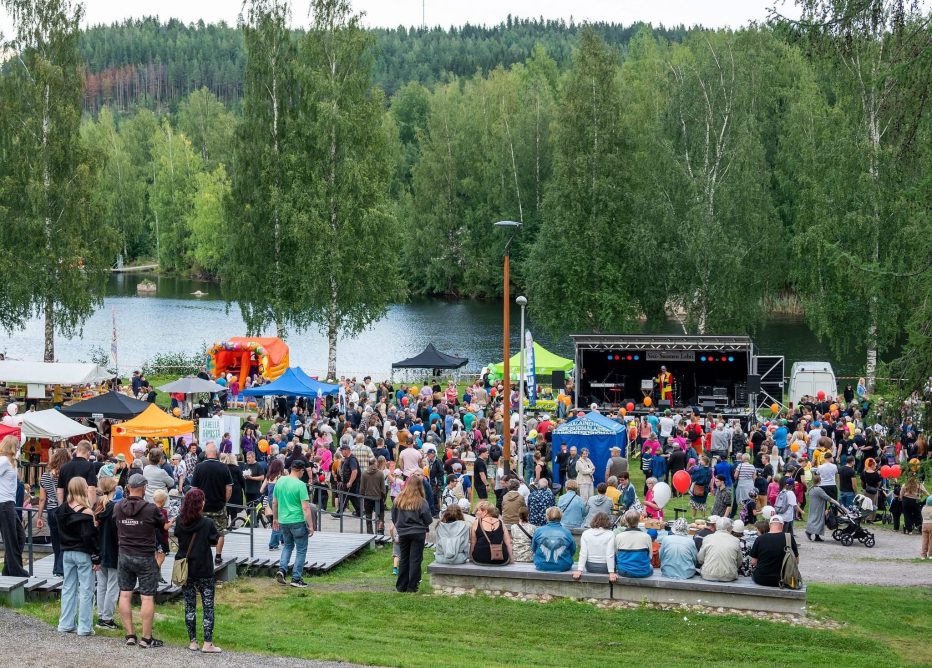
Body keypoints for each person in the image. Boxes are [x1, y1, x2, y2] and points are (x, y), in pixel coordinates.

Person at [114, 473, 167, 648]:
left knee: (125, 594)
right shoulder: (151, 509)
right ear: (144, 488)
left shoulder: (118, 507)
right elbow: (161, 524)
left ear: (128, 487)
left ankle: (130, 635)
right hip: (145, 555)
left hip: (124, 554)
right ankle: (146, 638)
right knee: (147, 597)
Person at [174, 488, 222, 653]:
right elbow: (214, 541)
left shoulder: (180, 521)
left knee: (189, 606)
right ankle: (207, 643)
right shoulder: (207, 523)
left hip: (186, 569)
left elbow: (177, 535)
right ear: (200, 504)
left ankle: (192, 641)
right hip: (204, 568)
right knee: (208, 606)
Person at [56, 478, 100, 636]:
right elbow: (89, 537)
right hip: (83, 553)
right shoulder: (87, 513)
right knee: (86, 590)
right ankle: (84, 627)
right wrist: (96, 557)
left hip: (66, 552)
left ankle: (66, 623)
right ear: (83, 489)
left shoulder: (62, 509)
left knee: (68, 588)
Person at [272, 460, 315, 588]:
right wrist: (311, 526)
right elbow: (305, 508)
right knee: (301, 550)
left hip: (283, 520)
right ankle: (296, 578)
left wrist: (275, 518)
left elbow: (274, 502)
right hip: (297, 520)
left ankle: (282, 569)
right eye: (303, 471)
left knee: (287, 546)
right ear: (301, 470)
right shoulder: (300, 485)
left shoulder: (280, 481)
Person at [191, 442, 233, 565]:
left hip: (202, 507)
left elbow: (194, 489)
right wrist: (224, 501)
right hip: (219, 506)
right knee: (220, 532)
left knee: (201, 531)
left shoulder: (199, 467)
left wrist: (197, 503)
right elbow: (229, 488)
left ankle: (203, 555)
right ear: (217, 453)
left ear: (205, 453)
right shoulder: (224, 467)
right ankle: (218, 556)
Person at [391, 474, 433, 591]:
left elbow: (394, 516)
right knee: (415, 559)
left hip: (403, 532)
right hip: (418, 532)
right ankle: (412, 586)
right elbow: (428, 519)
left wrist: (399, 525)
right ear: (420, 486)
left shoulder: (399, 499)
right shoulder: (421, 501)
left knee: (404, 558)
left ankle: (401, 586)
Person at [37, 447, 71, 577]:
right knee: (65, 539)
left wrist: (40, 516)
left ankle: (56, 567)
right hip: (63, 509)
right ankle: (61, 568)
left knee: (55, 540)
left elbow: (42, 499)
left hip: (51, 510)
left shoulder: (45, 475)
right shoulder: (67, 474)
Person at [94, 476, 120, 630]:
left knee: (102, 585)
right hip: (113, 549)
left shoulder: (99, 506)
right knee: (112, 585)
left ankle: (101, 615)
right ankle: (107, 618)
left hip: (100, 549)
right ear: (113, 489)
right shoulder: (114, 508)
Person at [750, 514, 799, 586]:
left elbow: (753, 562)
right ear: (782, 525)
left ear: (770, 525)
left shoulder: (760, 539)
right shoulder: (789, 538)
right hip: (784, 579)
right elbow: (796, 561)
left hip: (762, 579)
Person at [697, 517, 742, 582]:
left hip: (708, 575)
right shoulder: (736, 541)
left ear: (716, 526)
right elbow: (739, 562)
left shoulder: (707, 538)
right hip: (729, 576)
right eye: (731, 527)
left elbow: (700, 559)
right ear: (729, 528)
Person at [573, 512, 616, 580]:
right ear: (607, 521)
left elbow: (583, 553)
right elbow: (610, 554)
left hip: (590, 567)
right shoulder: (611, 534)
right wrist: (611, 572)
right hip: (605, 567)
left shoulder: (586, 533)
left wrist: (579, 570)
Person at [532, 507, 576, 572]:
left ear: (547, 517)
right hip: (563, 566)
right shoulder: (567, 532)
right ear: (561, 517)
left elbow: (533, 548)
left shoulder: (538, 531)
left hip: (541, 565)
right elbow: (573, 550)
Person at [57, 440, 98, 507]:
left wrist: (61, 507)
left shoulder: (64, 467)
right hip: (83, 506)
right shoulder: (90, 466)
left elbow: (60, 491)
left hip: (67, 506)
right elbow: (91, 489)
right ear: (88, 452)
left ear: (77, 451)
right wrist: (92, 507)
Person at [470, 501, 512, 566]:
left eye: (478, 510)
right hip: (501, 559)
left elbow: (473, 542)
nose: (476, 512)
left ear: (485, 512)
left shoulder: (476, 522)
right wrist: (511, 558)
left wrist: (471, 556)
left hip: (480, 559)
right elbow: (508, 542)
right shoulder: (500, 522)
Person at [614, 509, 653, 578]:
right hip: (643, 572)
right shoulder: (646, 537)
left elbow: (616, 554)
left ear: (626, 521)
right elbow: (650, 556)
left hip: (624, 571)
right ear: (639, 520)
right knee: (651, 567)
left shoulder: (619, 536)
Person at [805, 472, 844, 541]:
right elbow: (828, 498)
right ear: (820, 481)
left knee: (815, 520)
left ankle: (816, 536)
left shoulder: (812, 488)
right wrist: (837, 503)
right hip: (819, 507)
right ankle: (809, 532)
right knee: (818, 520)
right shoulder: (819, 490)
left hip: (813, 507)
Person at [360, 457, 385, 533]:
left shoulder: (364, 473)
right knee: (380, 516)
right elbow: (383, 488)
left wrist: (362, 495)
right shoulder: (380, 473)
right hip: (378, 498)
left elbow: (362, 488)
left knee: (368, 516)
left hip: (367, 498)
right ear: (375, 463)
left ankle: (369, 533)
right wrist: (383, 497)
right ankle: (380, 531)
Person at [921, 496, 932, 560]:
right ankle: (930, 554)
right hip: (931, 524)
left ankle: (923, 555)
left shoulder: (923, 508)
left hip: (924, 524)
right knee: (931, 540)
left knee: (925, 540)